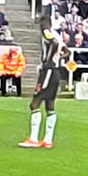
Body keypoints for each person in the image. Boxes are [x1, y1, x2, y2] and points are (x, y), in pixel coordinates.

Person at [21, 16, 66, 149]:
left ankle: (34, 139)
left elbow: (54, 43)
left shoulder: (47, 31)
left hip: (48, 71)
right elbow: (66, 51)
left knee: (35, 103)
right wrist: (58, 58)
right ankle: (48, 140)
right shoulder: (57, 34)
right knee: (50, 103)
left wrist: (49, 60)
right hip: (56, 71)